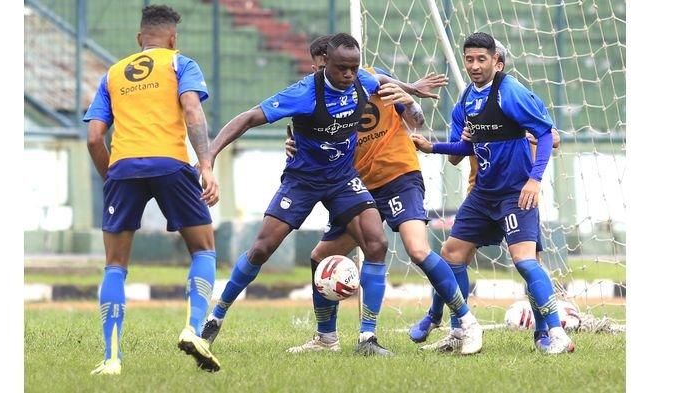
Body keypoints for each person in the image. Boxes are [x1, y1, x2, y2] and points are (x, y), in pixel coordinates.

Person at [199, 33, 443, 357]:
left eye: (354, 68)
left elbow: (380, 78)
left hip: (343, 179)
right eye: (342, 68)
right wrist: (210, 156)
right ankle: (215, 318)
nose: (349, 75)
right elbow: (247, 118)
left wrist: (411, 88)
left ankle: (367, 339)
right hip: (303, 180)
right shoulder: (303, 94)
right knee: (262, 248)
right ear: (325, 62)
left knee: (377, 242)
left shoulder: (361, 79)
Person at [283, 35, 483, 356]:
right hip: (357, 186)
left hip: (399, 175)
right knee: (321, 256)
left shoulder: (372, 80)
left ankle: (466, 323)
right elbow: (309, 139)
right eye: (325, 70)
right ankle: (326, 339)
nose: (336, 77)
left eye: (342, 69)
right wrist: (294, 145)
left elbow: (416, 121)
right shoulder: (316, 95)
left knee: (417, 249)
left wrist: (409, 98)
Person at [410, 32, 575, 354]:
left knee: (527, 262)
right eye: (469, 59)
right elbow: (463, 148)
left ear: (497, 63)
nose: (474, 65)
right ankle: (458, 329)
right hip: (483, 192)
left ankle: (554, 333)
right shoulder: (467, 100)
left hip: (516, 192)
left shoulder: (511, 92)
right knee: (451, 255)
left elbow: (547, 135)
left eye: (481, 59)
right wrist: (432, 147)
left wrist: (534, 180)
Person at [84, 5, 221, 374]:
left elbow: (95, 137)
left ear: (139, 39)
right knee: (204, 249)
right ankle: (193, 329)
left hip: (124, 165)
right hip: (170, 163)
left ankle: (111, 358)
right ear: (172, 38)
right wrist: (205, 164)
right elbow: (192, 110)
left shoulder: (112, 73)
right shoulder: (180, 64)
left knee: (115, 265)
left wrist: (110, 178)